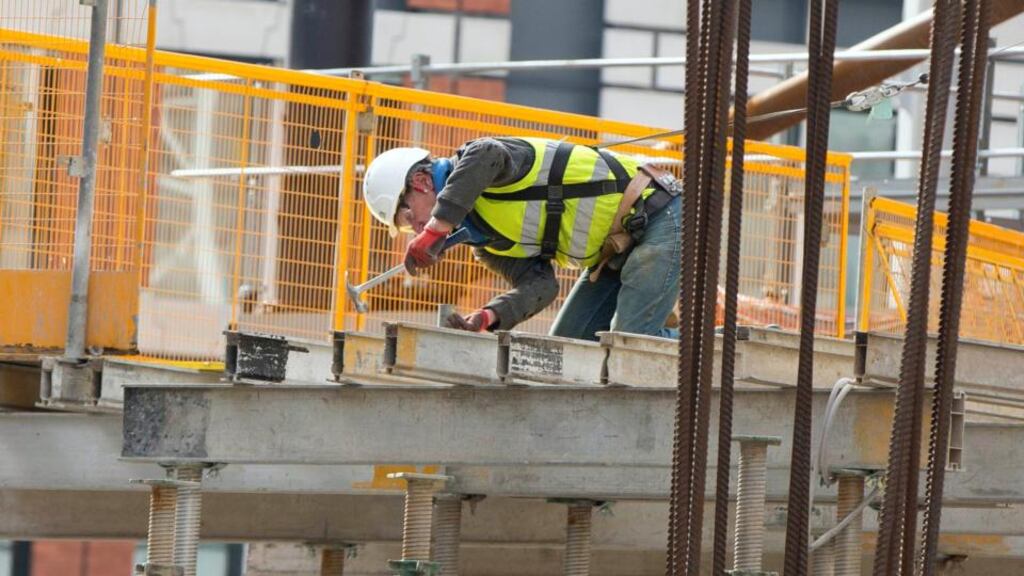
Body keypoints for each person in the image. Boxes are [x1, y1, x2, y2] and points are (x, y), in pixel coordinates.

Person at [362, 137, 682, 341]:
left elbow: (488, 154)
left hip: (660, 213)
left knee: (632, 344)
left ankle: (725, 347)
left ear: (420, 182)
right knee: (567, 347)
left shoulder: (478, 163)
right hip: (617, 250)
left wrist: (435, 230)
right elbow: (542, 287)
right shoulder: (485, 240)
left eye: (407, 218)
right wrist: (489, 317)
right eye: (408, 230)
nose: (415, 230)